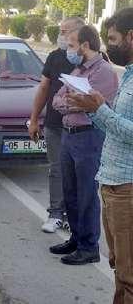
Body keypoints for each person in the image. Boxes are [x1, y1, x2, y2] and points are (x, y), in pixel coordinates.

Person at [68, 7, 133, 304]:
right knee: (119, 267)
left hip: (128, 188)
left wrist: (100, 110)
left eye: (113, 38)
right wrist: (91, 108)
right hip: (113, 183)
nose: (109, 46)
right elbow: (113, 120)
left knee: (129, 275)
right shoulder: (129, 75)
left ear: (131, 37)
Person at [50, 25, 118, 265]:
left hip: (89, 136)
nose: (68, 50)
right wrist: (73, 101)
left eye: (71, 45)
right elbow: (58, 99)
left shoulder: (103, 72)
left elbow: (91, 104)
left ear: (85, 45)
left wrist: (74, 101)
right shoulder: (77, 70)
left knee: (86, 192)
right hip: (69, 134)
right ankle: (76, 239)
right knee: (70, 191)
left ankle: (89, 246)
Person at [28, 17, 84, 233]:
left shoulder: (93, 60)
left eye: (65, 32)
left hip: (82, 127)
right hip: (54, 124)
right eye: (60, 32)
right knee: (57, 170)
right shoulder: (55, 57)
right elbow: (43, 88)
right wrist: (34, 119)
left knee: (79, 172)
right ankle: (55, 214)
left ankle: (74, 215)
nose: (61, 36)